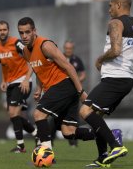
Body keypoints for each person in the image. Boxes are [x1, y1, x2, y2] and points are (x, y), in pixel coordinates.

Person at [79, 0, 133, 168]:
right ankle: (102, 158)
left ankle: (116, 146)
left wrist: (100, 59)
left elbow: (116, 50)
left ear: (118, 5)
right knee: (97, 116)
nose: (108, 9)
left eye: (110, 6)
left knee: (85, 112)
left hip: (114, 78)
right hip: (126, 81)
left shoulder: (115, 23)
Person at [17, 17, 95, 151]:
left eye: (27, 32)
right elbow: (39, 70)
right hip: (58, 89)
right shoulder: (26, 51)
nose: (24, 36)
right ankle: (107, 135)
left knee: (38, 115)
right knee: (68, 132)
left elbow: (69, 67)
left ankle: (46, 152)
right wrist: (39, 89)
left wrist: (81, 92)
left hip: (63, 85)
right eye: (21, 33)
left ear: (34, 31)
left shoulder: (45, 45)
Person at [0, 20, 38, 153]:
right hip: (11, 84)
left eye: (4, 29)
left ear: (8, 31)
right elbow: (3, 65)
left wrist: (26, 79)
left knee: (14, 113)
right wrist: (3, 80)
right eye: (0, 30)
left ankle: (21, 146)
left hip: (23, 82)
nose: (2, 32)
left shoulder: (16, 42)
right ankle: (36, 134)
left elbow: (31, 58)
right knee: (13, 115)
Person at [62, 40, 86, 147]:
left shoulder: (77, 60)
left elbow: (83, 74)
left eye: (70, 48)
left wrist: (77, 81)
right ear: (64, 48)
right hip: (61, 91)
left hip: (74, 91)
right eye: (66, 48)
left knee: (74, 115)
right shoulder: (59, 58)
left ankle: (74, 140)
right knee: (60, 114)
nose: (68, 50)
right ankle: (49, 141)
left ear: (73, 49)